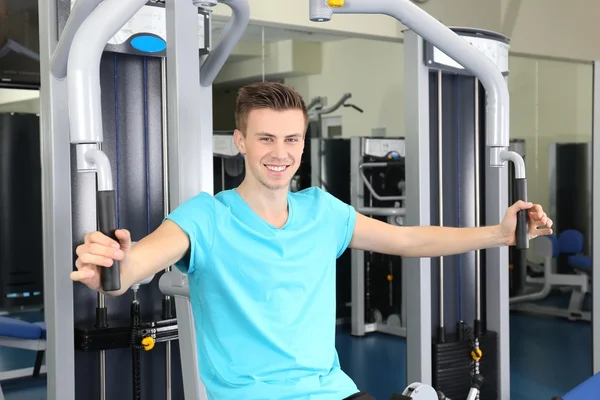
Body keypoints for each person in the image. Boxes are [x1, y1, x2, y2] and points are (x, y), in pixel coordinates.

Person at [71, 82, 553, 400]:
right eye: (265, 139)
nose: (280, 154)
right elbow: (141, 262)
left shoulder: (322, 211)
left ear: (304, 141)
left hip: (333, 392)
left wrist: (501, 232)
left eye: (292, 140)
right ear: (240, 141)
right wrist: (114, 271)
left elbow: (407, 239)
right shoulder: (206, 217)